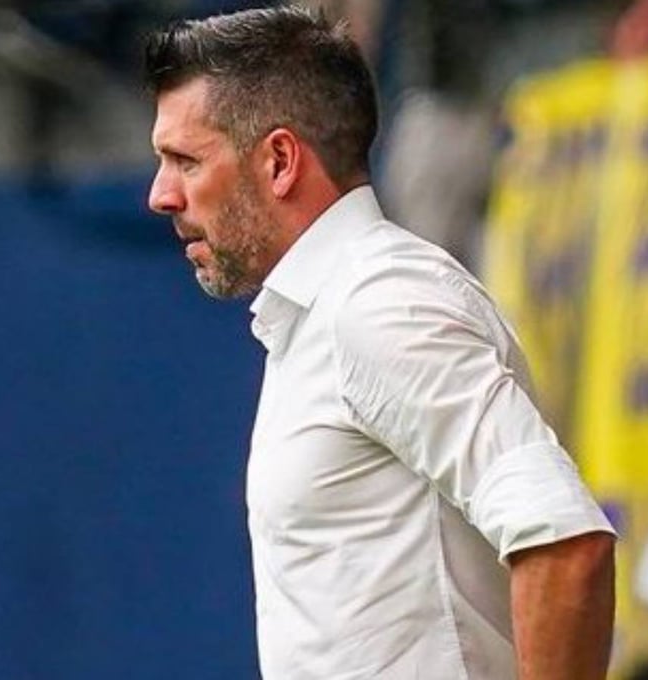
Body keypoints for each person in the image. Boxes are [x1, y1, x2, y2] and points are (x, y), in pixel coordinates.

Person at [143, 6, 617, 678]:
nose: (161, 195)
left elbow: (565, 543)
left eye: (185, 160)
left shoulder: (381, 303)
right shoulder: (332, 310)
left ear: (280, 161)